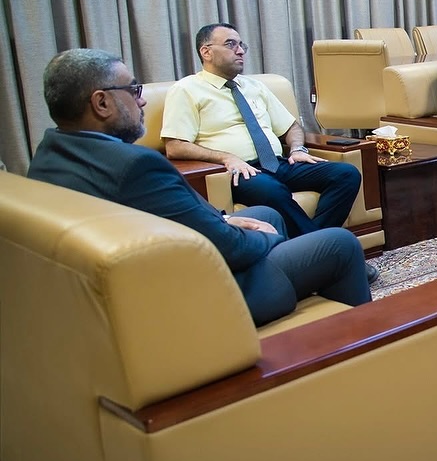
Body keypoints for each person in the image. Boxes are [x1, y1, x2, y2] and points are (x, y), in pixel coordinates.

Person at [27, 49, 371, 326]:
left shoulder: (49, 154)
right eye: (133, 90)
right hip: (199, 291)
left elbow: (171, 217)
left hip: (152, 268)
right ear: (101, 103)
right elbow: (229, 247)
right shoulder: (134, 165)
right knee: (338, 244)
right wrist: (267, 239)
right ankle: (358, 343)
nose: (142, 101)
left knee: (267, 214)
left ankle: (302, 280)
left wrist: (226, 219)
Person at [161, 23, 365, 244]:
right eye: (231, 44)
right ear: (206, 52)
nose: (240, 51)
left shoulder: (254, 86)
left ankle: (311, 244)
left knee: (346, 174)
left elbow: (291, 127)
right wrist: (227, 158)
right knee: (273, 192)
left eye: (241, 45)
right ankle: (323, 247)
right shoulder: (186, 90)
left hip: (278, 163)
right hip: (239, 172)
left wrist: (297, 149)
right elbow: (175, 146)